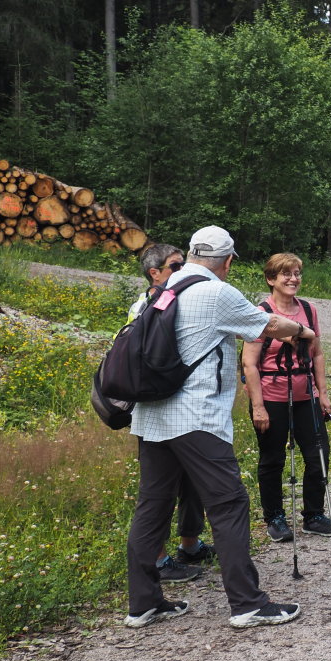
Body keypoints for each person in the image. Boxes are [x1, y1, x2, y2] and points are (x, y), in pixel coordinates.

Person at [125, 226, 303, 630]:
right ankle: (247, 603)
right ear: (228, 261)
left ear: (190, 254)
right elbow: (268, 325)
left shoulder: (155, 293)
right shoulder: (217, 292)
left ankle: (143, 603)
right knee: (228, 505)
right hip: (196, 419)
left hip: (150, 417)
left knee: (152, 508)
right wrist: (303, 330)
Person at [128, 244, 215, 583]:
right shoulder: (145, 306)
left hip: (183, 409)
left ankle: (189, 544)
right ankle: (159, 560)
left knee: (192, 482)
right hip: (155, 410)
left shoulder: (181, 299)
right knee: (159, 491)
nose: (183, 271)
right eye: (175, 266)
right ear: (155, 273)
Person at [242, 253, 331, 544]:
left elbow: (318, 353)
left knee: (318, 455)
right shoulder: (260, 313)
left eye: (297, 273)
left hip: (305, 395)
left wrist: (323, 394)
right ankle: (274, 517)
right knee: (272, 459)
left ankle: (314, 515)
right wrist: (258, 406)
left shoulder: (309, 310)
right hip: (271, 396)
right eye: (286, 274)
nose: (293, 279)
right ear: (271, 279)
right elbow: (250, 363)